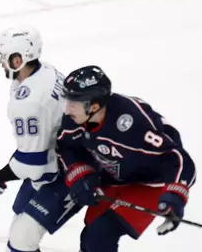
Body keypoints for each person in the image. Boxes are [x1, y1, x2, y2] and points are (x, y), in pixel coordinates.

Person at [0, 27, 82, 252]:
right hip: (61, 156)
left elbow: (35, 165)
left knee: (21, 237)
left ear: (18, 59)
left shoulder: (29, 102)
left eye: (5, 58)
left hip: (74, 169)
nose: (1, 63)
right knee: (21, 212)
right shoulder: (44, 71)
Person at [57, 65, 196, 252]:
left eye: (73, 103)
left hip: (151, 184)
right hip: (117, 177)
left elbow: (178, 158)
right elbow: (67, 146)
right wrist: (82, 175)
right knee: (90, 235)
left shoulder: (132, 124)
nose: (67, 110)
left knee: (102, 233)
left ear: (94, 105)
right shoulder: (75, 118)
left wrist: (175, 196)